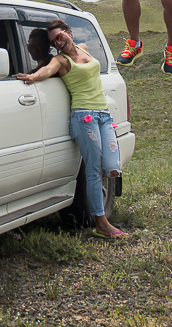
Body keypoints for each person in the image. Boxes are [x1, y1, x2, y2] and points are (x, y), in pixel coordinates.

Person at [15, 19, 127, 239]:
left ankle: (99, 212)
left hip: (104, 114)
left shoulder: (85, 49)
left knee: (112, 167)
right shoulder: (61, 61)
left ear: (69, 32)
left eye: (60, 37)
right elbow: (47, 70)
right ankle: (101, 223)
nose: (58, 43)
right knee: (93, 170)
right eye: (53, 42)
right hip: (83, 117)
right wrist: (33, 77)